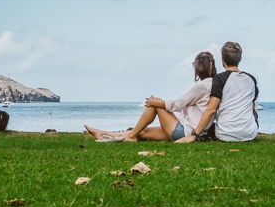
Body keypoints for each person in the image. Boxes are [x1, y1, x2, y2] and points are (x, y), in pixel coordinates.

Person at [84, 51, 217, 142]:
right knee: (143, 132)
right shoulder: (212, 84)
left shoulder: (203, 86)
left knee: (154, 105)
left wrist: (155, 102)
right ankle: (103, 133)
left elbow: (177, 104)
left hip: (184, 132)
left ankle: (131, 136)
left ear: (198, 68)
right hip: (185, 129)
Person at [178, 41, 258, 143]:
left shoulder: (219, 79)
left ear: (222, 59)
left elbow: (211, 110)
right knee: (252, 107)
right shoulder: (251, 79)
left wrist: (194, 135)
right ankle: (245, 130)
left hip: (224, 135)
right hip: (249, 135)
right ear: (240, 58)